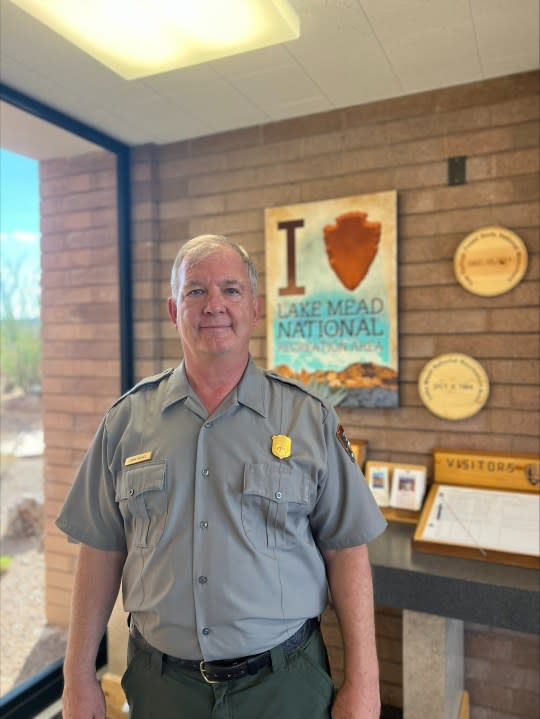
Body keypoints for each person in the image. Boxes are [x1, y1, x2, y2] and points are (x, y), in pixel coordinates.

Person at [57, 234, 387, 719]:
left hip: (283, 686)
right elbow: (102, 551)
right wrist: (77, 676)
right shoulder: (125, 422)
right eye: (196, 291)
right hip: (162, 687)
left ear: (254, 308)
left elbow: (346, 550)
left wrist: (365, 682)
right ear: (174, 310)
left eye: (231, 290)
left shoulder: (307, 419)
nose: (214, 305)